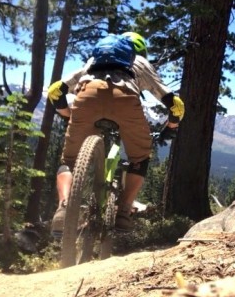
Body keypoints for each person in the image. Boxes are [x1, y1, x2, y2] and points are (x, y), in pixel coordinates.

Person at [46, 32, 184, 238]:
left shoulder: (93, 61)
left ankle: (63, 209)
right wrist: (170, 128)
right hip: (125, 100)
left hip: (87, 97)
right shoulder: (142, 63)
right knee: (140, 157)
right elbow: (176, 105)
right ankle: (124, 212)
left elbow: (55, 91)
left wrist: (70, 117)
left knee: (69, 160)